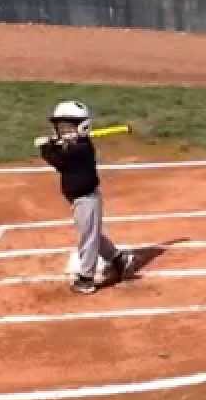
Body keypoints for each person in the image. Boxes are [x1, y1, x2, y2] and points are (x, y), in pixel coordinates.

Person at [34, 100, 136, 295]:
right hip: (78, 198)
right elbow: (62, 151)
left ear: (82, 126)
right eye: (61, 126)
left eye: (68, 126)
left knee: (87, 238)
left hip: (86, 199)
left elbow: (59, 162)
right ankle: (119, 259)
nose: (63, 130)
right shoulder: (72, 145)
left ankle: (86, 279)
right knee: (91, 233)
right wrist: (56, 143)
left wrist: (46, 148)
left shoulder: (81, 148)